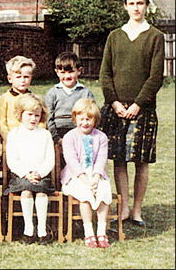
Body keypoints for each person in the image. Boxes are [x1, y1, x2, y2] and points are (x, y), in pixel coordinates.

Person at [98, 0, 164, 227]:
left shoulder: (156, 36)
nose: (136, 8)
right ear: (125, 6)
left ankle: (137, 210)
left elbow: (156, 76)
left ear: (147, 6)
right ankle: (123, 207)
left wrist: (138, 104)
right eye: (132, 3)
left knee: (141, 160)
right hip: (116, 109)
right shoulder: (115, 37)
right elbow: (105, 75)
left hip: (142, 109)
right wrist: (114, 103)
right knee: (119, 159)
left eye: (140, 3)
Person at [61, 98, 113, 248]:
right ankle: (89, 232)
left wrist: (96, 179)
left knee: (103, 191)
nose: (85, 123)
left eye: (89, 119)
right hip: (75, 176)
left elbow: (101, 159)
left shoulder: (101, 137)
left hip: (96, 175)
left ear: (95, 120)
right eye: (81, 119)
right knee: (86, 194)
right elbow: (72, 162)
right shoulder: (69, 137)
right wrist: (87, 182)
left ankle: (101, 232)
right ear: (75, 118)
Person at [3, 93, 55, 245]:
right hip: (21, 176)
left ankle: (42, 231)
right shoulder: (14, 135)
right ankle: (28, 229)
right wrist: (26, 174)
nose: (33, 119)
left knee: (40, 192)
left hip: (40, 176)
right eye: (29, 115)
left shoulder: (45, 135)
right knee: (26, 191)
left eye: (37, 115)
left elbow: (49, 159)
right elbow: (12, 160)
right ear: (21, 114)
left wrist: (39, 173)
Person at [45, 51, 96, 145]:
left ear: (79, 71)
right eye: (63, 72)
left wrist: (83, 135)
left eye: (71, 72)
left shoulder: (85, 93)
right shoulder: (53, 93)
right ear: (57, 72)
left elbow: (92, 116)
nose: (67, 76)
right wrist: (56, 138)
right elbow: (48, 118)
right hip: (57, 133)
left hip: (80, 131)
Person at [0, 55, 39, 140]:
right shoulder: (4, 99)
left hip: (32, 141)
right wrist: (11, 139)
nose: (22, 80)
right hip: (11, 142)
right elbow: (1, 125)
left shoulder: (35, 99)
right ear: (9, 79)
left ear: (31, 78)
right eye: (18, 77)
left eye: (26, 77)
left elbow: (41, 121)